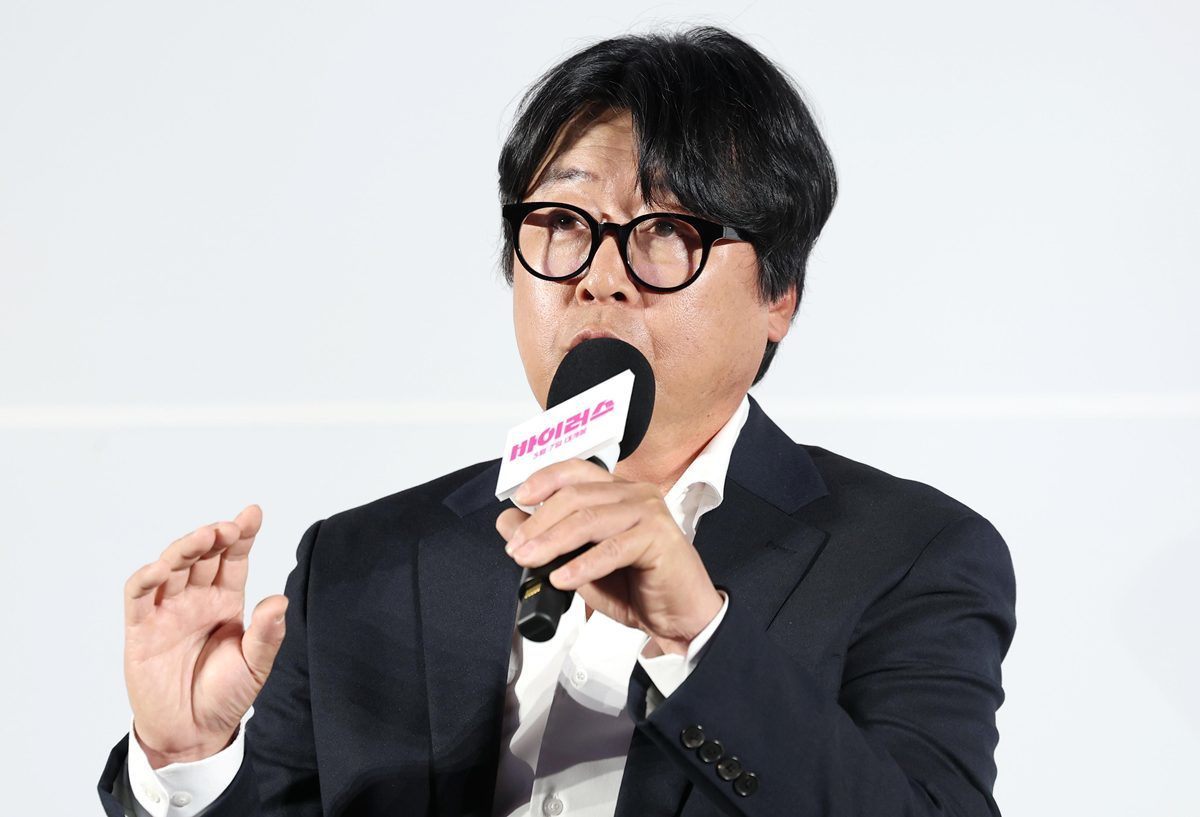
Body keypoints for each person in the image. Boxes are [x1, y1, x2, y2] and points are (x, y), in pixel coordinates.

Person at [98, 26, 1017, 817]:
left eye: (668, 231)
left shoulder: (911, 554)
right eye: (563, 223)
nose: (600, 276)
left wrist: (702, 637)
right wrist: (185, 762)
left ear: (780, 293)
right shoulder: (360, 563)